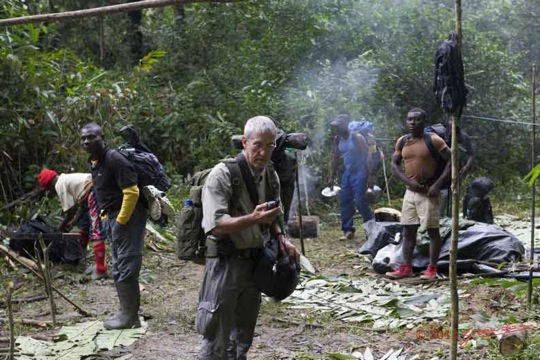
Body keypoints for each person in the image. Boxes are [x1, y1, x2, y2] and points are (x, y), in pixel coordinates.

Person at [196, 116, 300, 359]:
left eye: (270, 146)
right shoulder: (222, 175)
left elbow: (274, 218)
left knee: (242, 338)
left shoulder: (270, 175)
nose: (264, 152)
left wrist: (282, 239)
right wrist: (253, 219)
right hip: (226, 264)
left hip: (256, 264)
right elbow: (216, 225)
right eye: (258, 145)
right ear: (245, 142)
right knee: (216, 339)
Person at [80, 123, 147, 330]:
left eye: (91, 137)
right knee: (118, 265)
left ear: (102, 137)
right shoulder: (96, 161)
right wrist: (105, 218)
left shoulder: (114, 159)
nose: (86, 142)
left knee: (126, 265)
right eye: (83, 138)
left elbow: (132, 192)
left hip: (126, 217)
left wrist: (120, 221)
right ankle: (125, 313)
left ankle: (129, 317)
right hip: (111, 217)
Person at [386, 108, 451, 280]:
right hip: (410, 192)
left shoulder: (434, 140)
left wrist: (438, 184)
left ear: (424, 122)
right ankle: (406, 267)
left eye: (416, 120)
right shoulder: (403, 141)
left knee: (432, 231)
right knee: (408, 230)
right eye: (409, 120)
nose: (412, 123)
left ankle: (432, 269)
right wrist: (408, 182)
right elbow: (394, 164)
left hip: (428, 192)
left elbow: (452, 160)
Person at [37, 169, 108, 280]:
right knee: (85, 226)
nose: (51, 192)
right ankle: (79, 256)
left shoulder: (59, 185)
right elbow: (79, 206)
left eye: (49, 190)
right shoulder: (65, 179)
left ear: (50, 184)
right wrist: (73, 222)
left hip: (94, 192)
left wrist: (62, 226)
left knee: (96, 230)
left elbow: (70, 211)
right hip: (90, 192)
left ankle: (101, 269)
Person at [328, 114, 374, 241]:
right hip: (348, 173)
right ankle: (348, 229)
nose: (335, 129)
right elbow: (335, 157)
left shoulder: (357, 137)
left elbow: (368, 155)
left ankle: (371, 228)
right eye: (334, 126)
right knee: (345, 200)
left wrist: (370, 175)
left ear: (345, 125)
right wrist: (331, 176)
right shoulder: (337, 139)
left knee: (360, 201)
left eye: (338, 126)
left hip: (361, 172)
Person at [438, 114, 475, 217]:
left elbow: (471, 154)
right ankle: (439, 218)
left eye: (455, 120)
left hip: (458, 171)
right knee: (442, 195)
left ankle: (451, 217)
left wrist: (466, 168)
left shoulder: (463, 137)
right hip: (442, 171)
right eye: (450, 120)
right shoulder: (441, 135)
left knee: (454, 194)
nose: (453, 123)